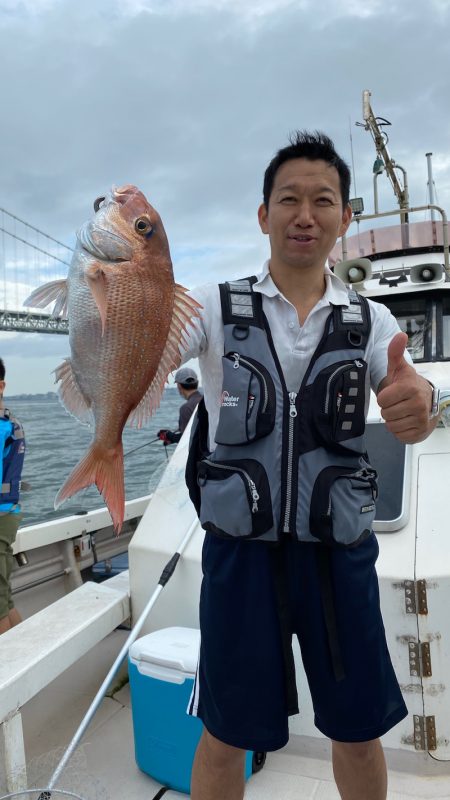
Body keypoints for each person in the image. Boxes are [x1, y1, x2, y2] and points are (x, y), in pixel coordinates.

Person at [178, 131, 438, 800]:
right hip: (240, 555)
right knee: (224, 732)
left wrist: (421, 401)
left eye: (322, 199)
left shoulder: (372, 320)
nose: (305, 214)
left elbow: (406, 387)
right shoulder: (211, 307)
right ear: (263, 215)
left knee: (357, 731)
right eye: (288, 198)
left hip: (336, 555)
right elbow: (152, 344)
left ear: (345, 217)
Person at [0, 358, 26, 635]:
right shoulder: (10, 422)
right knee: (5, 601)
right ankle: (30, 658)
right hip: (8, 514)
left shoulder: (2, 427)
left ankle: (8, 674)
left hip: (0, 516)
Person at [157, 367, 202, 445]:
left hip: (198, 454)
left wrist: (169, 435)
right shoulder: (205, 400)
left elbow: (186, 439)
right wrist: (172, 439)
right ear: (197, 383)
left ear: (179, 386)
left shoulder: (186, 408)